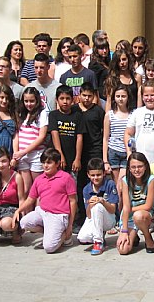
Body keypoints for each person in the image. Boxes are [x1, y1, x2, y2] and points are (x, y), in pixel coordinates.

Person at [15, 148, 77, 253]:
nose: (45, 166)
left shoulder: (66, 178)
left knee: (49, 248)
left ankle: (63, 236)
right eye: (43, 163)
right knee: (24, 223)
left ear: (57, 164)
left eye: (49, 163)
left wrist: (70, 225)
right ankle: (50, 233)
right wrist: (18, 210)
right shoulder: (39, 179)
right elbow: (30, 199)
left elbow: (73, 201)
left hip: (58, 215)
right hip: (42, 212)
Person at [47, 85, 85, 227]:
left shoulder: (77, 116)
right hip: (58, 161)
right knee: (57, 189)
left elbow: (79, 137)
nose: (65, 101)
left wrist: (77, 158)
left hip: (73, 161)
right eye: (62, 98)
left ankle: (73, 219)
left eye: (68, 98)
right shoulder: (54, 115)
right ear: (57, 100)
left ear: (73, 99)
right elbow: (55, 134)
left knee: (72, 191)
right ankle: (56, 217)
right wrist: (60, 156)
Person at [73, 83, 105, 227]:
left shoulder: (98, 110)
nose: (86, 98)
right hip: (79, 152)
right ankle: (81, 215)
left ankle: (98, 212)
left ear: (93, 97)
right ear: (79, 95)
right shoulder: (74, 110)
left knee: (96, 181)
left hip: (95, 150)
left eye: (89, 96)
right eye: (84, 95)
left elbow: (103, 131)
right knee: (80, 183)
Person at [116, 152, 154, 254]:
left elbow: (148, 205)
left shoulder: (150, 180)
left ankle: (148, 238)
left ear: (145, 166)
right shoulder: (125, 181)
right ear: (129, 168)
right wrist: (124, 231)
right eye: (133, 167)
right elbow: (125, 206)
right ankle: (133, 236)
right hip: (128, 216)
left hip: (144, 215)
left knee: (138, 216)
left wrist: (130, 209)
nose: (137, 170)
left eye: (140, 166)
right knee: (123, 249)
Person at [77, 158, 118, 255]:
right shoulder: (86, 189)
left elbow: (113, 210)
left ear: (104, 173)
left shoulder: (110, 184)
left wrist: (102, 201)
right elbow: (89, 215)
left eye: (98, 175)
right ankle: (100, 235)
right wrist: (90, 205)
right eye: (92, 175)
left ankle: (98, 242)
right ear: (88, 175)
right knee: (83, 238)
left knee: (98, 207)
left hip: (109, 219)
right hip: (94, 217)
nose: (95, 178)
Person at [13, 88, 48, 194]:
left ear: (37, 101)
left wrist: (24, 152)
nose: (29, 104)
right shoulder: (20, 114)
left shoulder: (42, 114)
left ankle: (37, 210)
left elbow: (41, 137)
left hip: (36, 155)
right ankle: (26, 210)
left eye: (32, 101)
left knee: (37, 188)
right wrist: (16, 153)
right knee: (26, 189)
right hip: (22, 156)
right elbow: (16, 134)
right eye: (26, 101)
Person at [103, 84, 133, 184]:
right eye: (118, 96)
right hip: (113, 151)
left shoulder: (133, 114)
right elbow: (106, 138)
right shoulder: (109, 115)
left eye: (123, 96)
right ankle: (118, 200)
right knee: (116, 183)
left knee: (122, 182)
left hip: (127, 151)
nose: (120, 99)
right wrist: (105, 160)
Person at [88, 39, 111, 103]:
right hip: (101, 97)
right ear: (96, 50)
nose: (105, 51)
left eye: (106, 48)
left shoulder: (108, 62)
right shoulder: (94, 65)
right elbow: (94, 84)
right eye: (101, 48)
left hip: (109, 95)